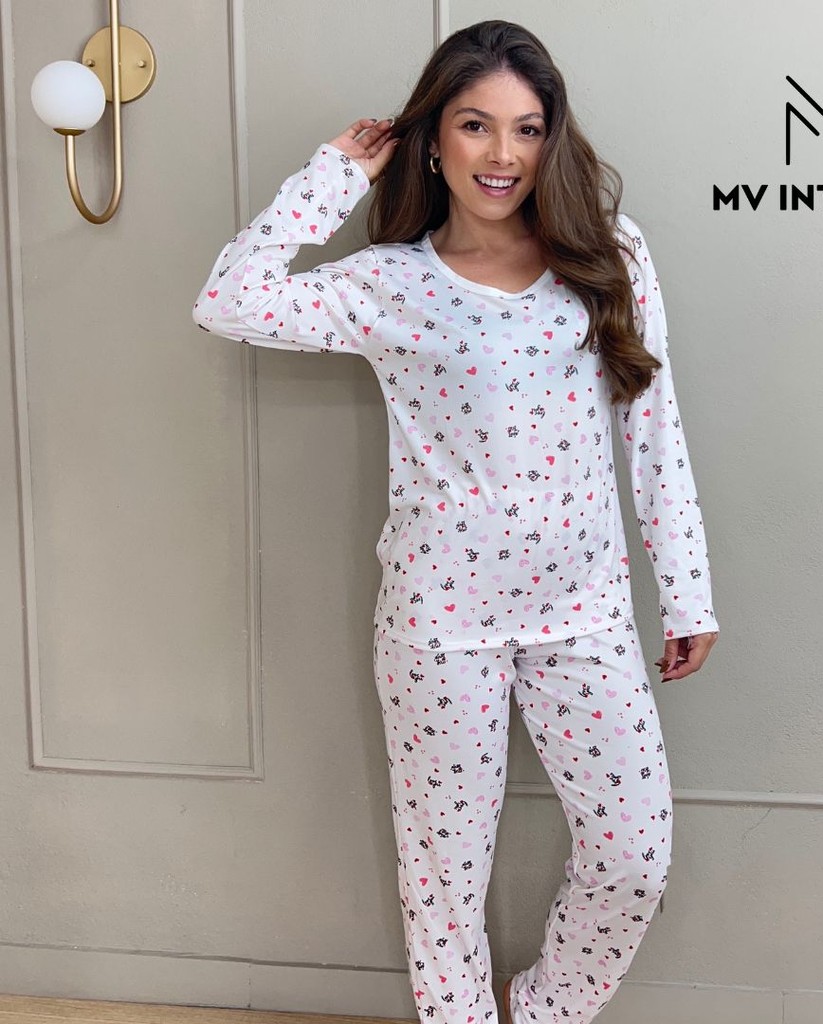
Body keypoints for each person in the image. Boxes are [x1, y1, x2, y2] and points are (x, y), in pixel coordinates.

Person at [192, 19, 720, 1024]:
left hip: (585, 614)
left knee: (633, 858)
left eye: (526, 128)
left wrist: (686, 591)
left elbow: (654, 429)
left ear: (551, 138)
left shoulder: (609, 255)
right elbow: (229, 300)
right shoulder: (389, 282)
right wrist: (332, 177)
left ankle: (545, 1009)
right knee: (443, 882)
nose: (502, 154)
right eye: (475, 125)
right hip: (440, 623)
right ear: (433, 140)